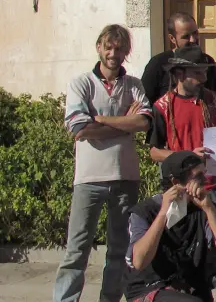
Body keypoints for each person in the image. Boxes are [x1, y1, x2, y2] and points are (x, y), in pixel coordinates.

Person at [55, 24, 152, 302]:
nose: (113, 54)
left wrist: (102, 119)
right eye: (108, 47)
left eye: (119, 48)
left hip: (125, 176)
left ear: (126, 52)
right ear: (99, 47)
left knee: (119, 250)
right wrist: (125, 123)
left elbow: (144, 122)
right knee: (77, 250)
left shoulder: (134, 85)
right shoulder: (81, 83)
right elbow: (79, 128)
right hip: (89, 179)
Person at [125, 151, 216, 302]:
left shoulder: (203, 209)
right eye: (199, 176)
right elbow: (139, 261)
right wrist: (163, 213)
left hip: (191, 288)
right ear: (175, 182)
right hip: (151, 287)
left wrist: (210, 209)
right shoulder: (145, 211)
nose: (205, 180)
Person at [148, 46, 216, 207]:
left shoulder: (214, 100)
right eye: (197, 73)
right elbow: (155, 152)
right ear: (179, 74)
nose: (204, 78)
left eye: (205, 72)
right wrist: (188, 156)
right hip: (182, 190)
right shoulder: (162, 107)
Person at [141, 13, 216, 104]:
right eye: (186, 36)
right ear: (172, 38)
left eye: (195, 33)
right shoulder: (157, 63)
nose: (193, 39)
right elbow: (145, 103)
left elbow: (214, 100)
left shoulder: (207, 61)